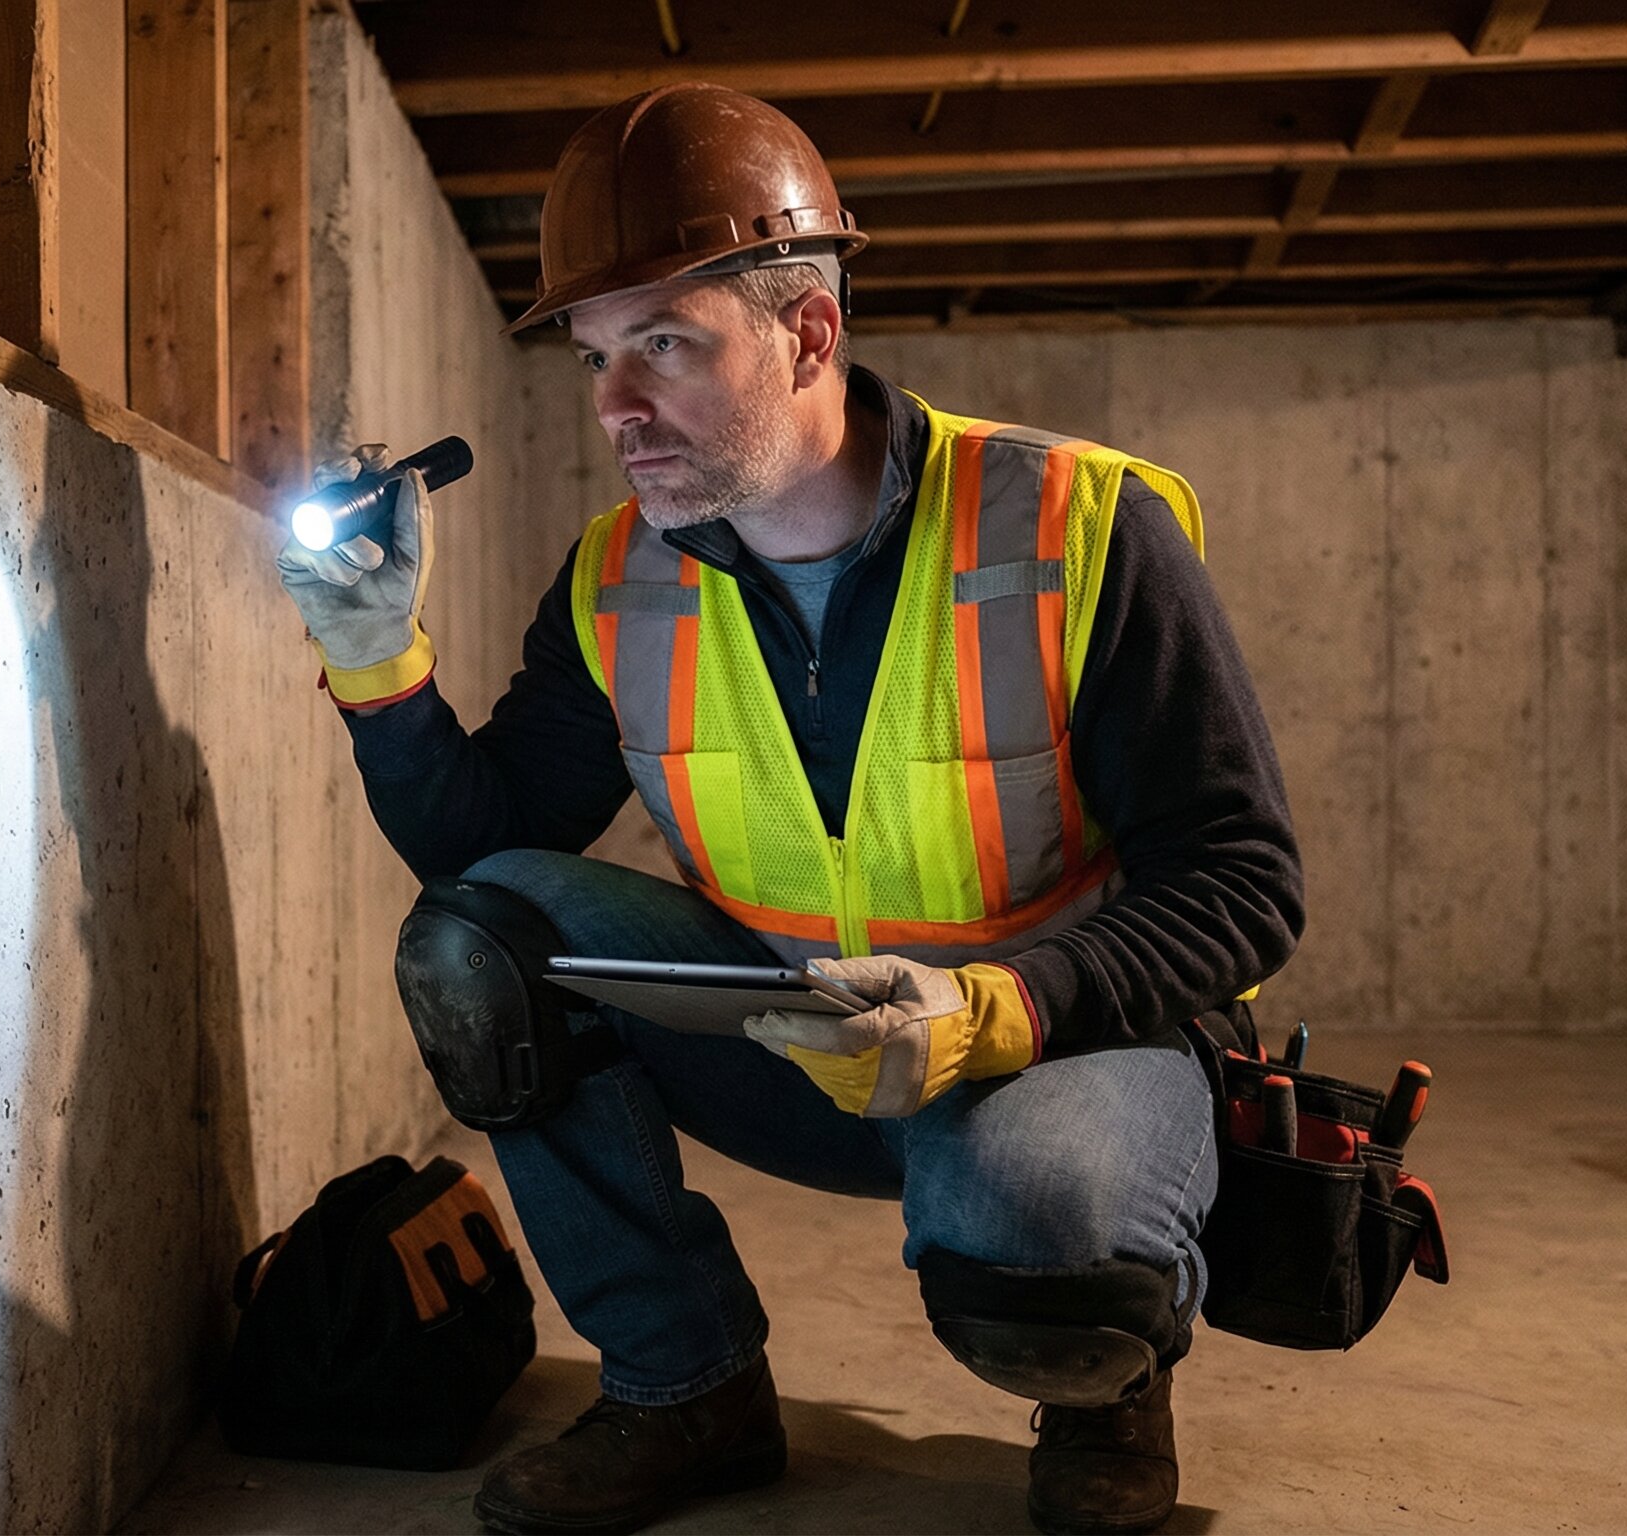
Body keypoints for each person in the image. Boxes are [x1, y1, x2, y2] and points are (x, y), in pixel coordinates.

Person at [275, 82, 1300, 1536]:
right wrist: (375, 651)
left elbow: (1244, 881)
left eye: (666, 346)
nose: (617, 408)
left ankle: (1102, 1393)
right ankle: (683, 1387)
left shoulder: (1077, 525)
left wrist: (986, 1012)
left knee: (1035, 1237)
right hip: (797, 1036)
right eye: (597, 358)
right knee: (474, 942)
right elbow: (480, 852)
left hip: (1054, 1050)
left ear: (810, 333)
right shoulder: (621, 576)